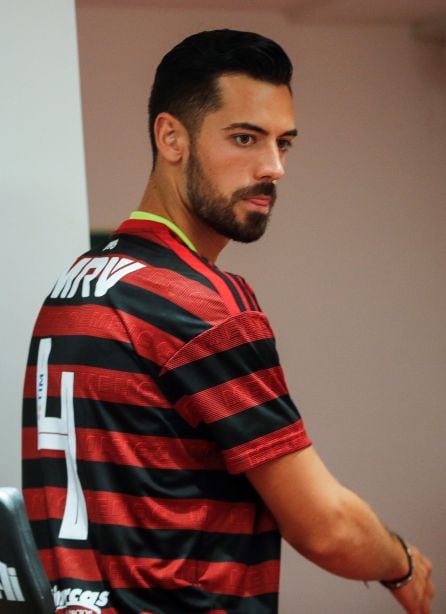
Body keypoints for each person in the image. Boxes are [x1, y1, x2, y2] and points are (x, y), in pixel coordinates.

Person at [22, 29, 434, 614]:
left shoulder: (78, 282)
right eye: (245, 138)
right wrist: (403, 563)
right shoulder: (198, 301)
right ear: (171, 137)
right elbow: (325, 527)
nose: (273, 168)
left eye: (283, 144)